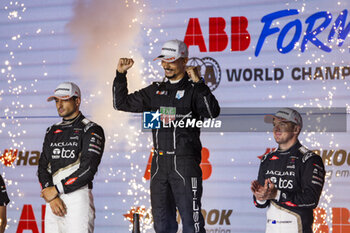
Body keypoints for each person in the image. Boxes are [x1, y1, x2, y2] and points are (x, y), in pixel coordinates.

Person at [113, 39, 220, 233]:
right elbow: (121, 103)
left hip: (184, 162)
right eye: (163, 60)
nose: (165, 65)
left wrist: (199, 82)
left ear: (184, 60)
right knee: (162, 225)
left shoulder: (194, 89)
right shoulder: (155, 91)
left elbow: (212, 113)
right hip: (159, 164)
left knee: (192, 224)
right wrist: (121, 75)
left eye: (171, 60)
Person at [37, 82, 105, 233]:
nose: (59, 105)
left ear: (77, 101)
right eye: (56, 100)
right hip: (53, 200)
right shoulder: (51, 130)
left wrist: (56, 190)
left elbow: (88, 169)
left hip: (77, 197)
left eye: (64, 99)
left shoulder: (91, 129)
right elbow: (42, 167)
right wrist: (52, 196)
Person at [251, 108, 325, 233]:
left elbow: (311, 200)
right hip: (270, 228)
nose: (276, 129)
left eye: (283, 124)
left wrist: (277, 194)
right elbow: (260, 204)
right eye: (275, 124)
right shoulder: (267, 159)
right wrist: (260, 196)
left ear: (296, 129)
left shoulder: (309, 159)